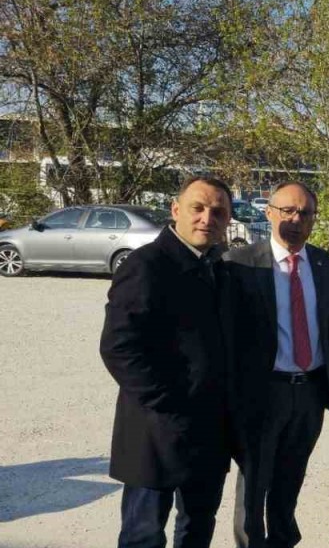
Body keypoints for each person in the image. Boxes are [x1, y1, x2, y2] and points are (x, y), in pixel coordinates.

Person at [100, 176, 235, 548]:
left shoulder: (218, 267)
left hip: (209, 429)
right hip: (156, 428)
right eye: (198, 207)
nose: (207, 217)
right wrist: (167, 402)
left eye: (218, 211)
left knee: (197, 526)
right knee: (144, 534)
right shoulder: (147, 265)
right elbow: (119, 347)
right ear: (176, 210)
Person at [225, 180, 329, 548]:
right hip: (264, 393)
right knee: (254, 482)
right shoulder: (240, 264)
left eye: (305, 213)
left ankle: (282, 541)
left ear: (314, 219)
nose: (295, 219)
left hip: (309, 391)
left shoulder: (325, 264)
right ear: (269, 212)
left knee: (291, 478)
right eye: (287, 210)